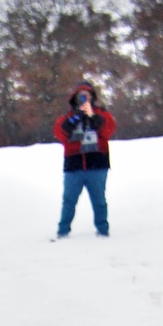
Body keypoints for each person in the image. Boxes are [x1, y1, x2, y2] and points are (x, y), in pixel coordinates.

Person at [52, 82, 116, 238]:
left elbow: (108, 131)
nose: (83, 98)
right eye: (80, 95)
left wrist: (93, 117)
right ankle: (63, 231)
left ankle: (102, 230)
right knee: (69, 200)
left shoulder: (102, 114)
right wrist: (75, 119)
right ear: (74, 97)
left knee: (99, 200)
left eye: (87, 95)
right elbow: (60, 133)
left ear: (92, 97)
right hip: (74, 167)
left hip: (97, 165)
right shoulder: (67, 117)